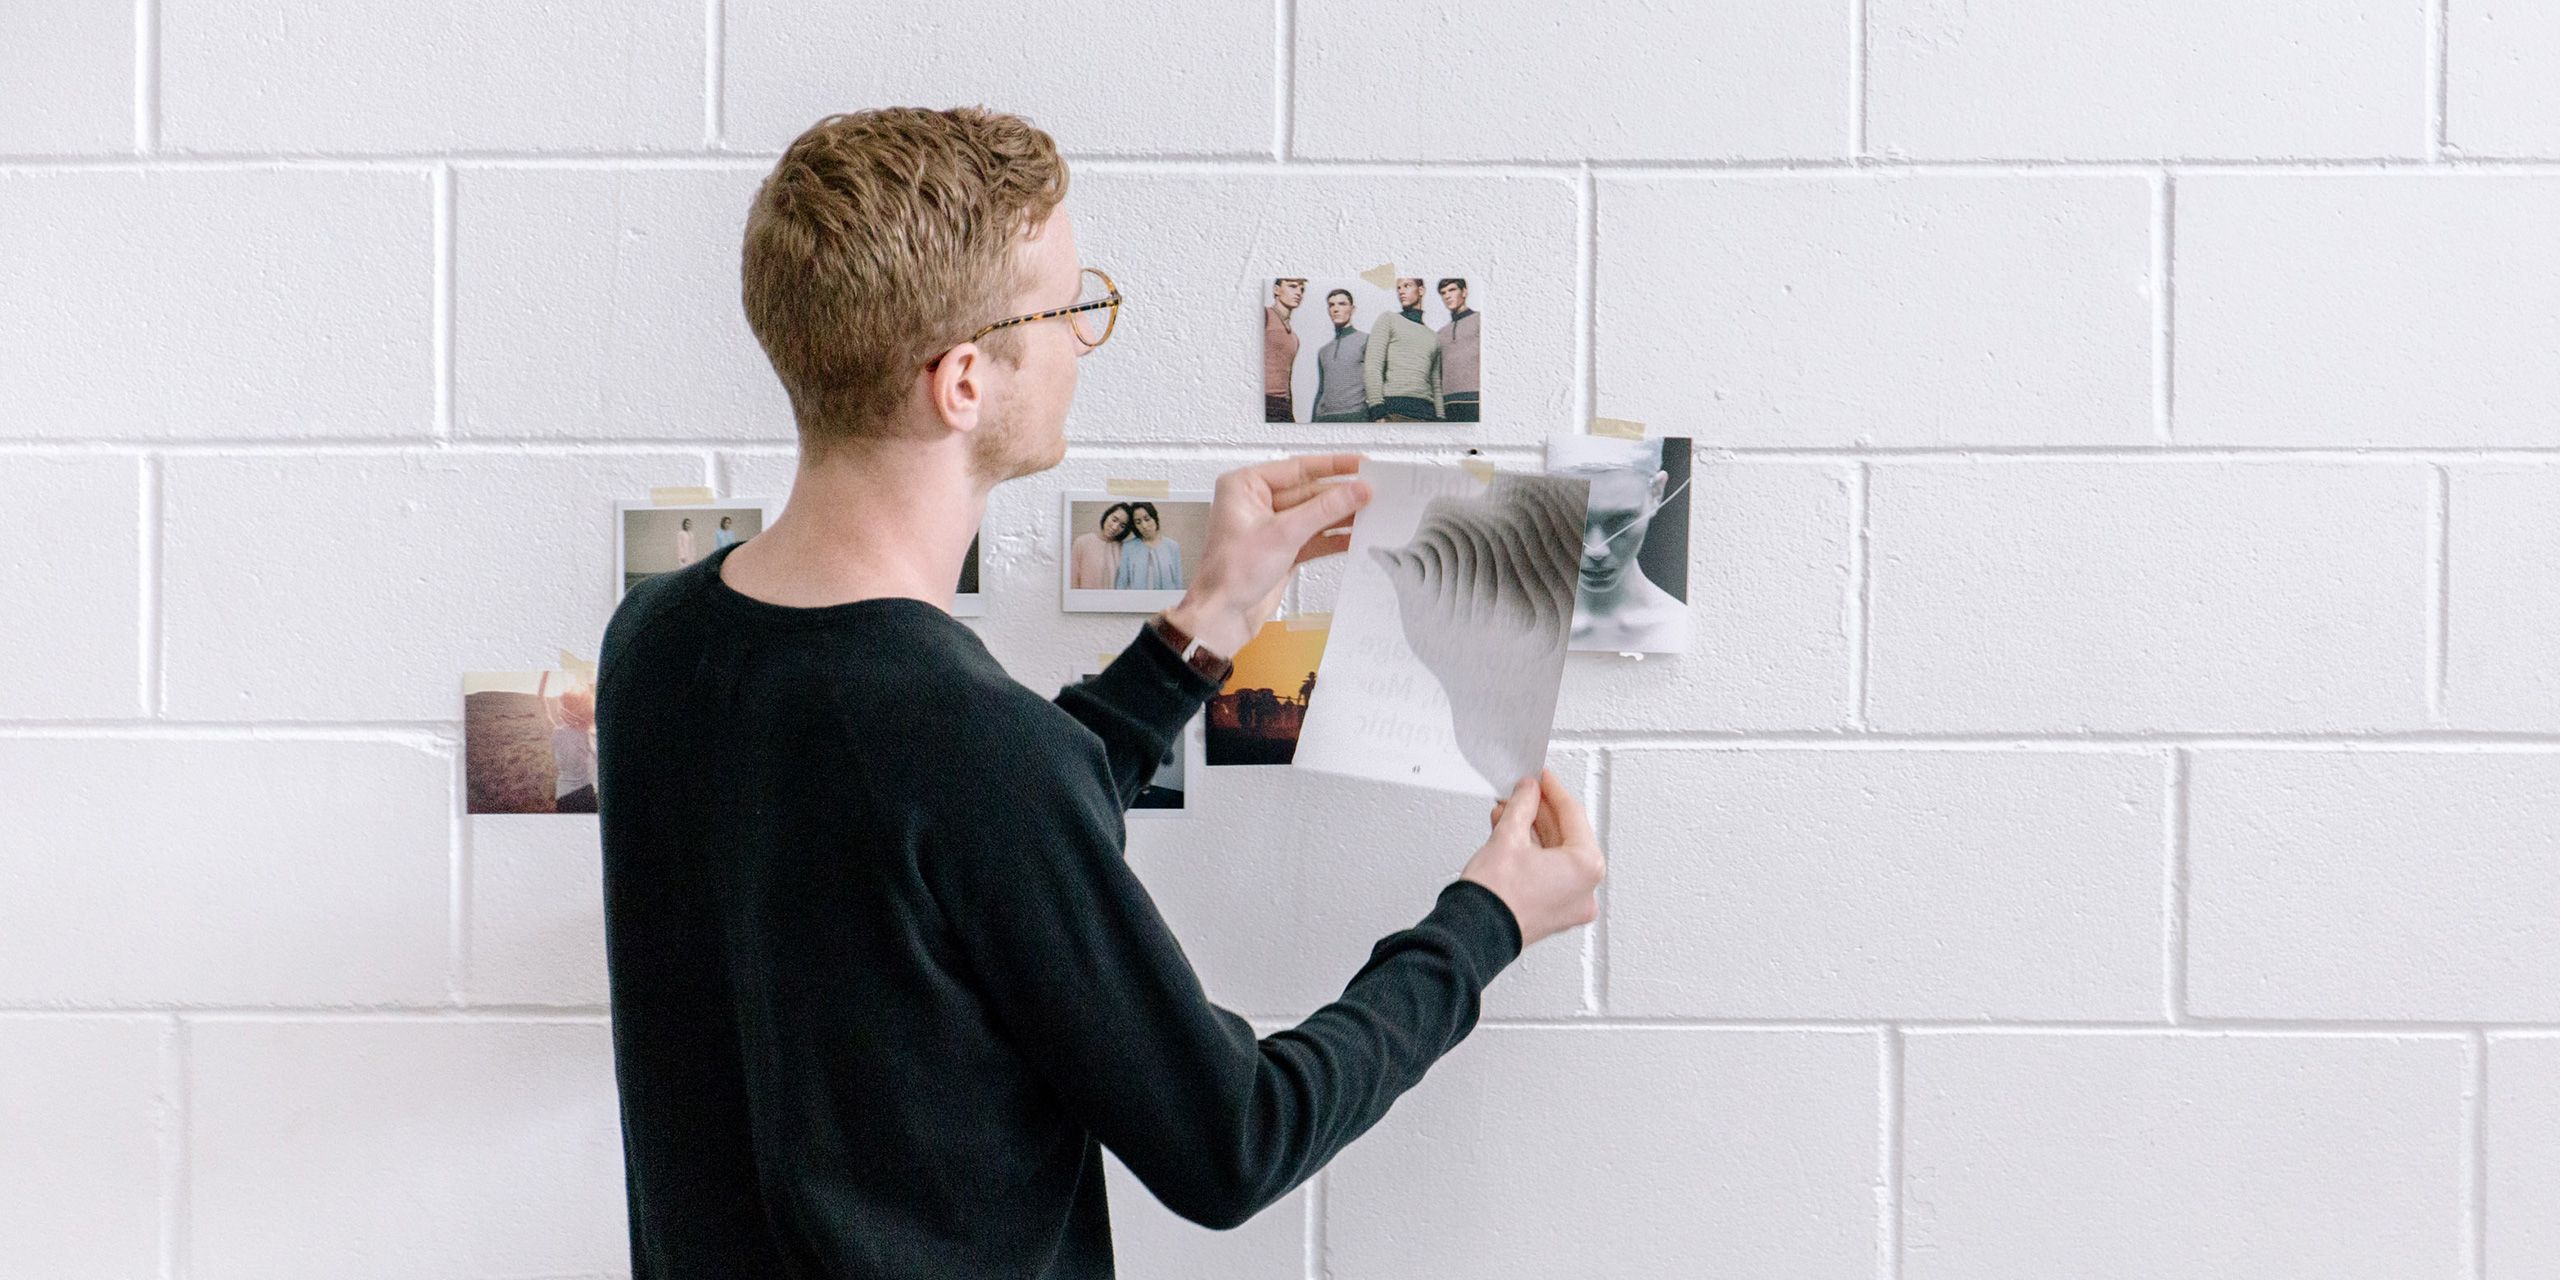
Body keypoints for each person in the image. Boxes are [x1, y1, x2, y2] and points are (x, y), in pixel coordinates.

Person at [594, 106, 1603, 1279]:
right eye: (1068, 309)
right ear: (962, 381)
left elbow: (959, 845)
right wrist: (1487, 920)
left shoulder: (656, 640)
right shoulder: (967, 747)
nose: (1083, 338)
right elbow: (1234, 1139)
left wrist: (1203, 625)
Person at [1553, 437, 1688, 653]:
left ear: (1656, 492)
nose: (1597, 550)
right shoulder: (1514, 627)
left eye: (1620, 521)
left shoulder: (1680, 628)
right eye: (1573, 518)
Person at [1363, 276, 1442, 421]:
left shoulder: (1433, 337)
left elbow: (1436, 383)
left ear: (1421, 290)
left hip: (1427, 414)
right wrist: (1376, 409)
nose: (1401, 291)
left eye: (1407, 286)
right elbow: (1373, 365)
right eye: (1398, 288)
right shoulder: (1388, 319)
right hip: (1394, 411)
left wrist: (1441, 417)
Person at [535, 671, 598, 814]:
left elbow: (540, 698)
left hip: (564, 795)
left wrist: (545, 673)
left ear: (563, 708)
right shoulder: (588, 733)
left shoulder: (556, 732)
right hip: (587, 794)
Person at [1310, 288, 1370, 422]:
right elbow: (1321, 390)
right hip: (1325, 419)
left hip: (1355, 416)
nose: (1336, 309)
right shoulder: (1324, 351)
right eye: (1332, 305)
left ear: (1352, 309)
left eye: (1342, 304)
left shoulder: (1366, 340)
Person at [1112, 500, 1183, 590]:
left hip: (1166, 598)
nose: (1144, 526)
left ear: (1155, 518)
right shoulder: (1128, 547)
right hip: (1137, 598)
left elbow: (1178, 582)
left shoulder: (1173, 546)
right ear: (1135, 526)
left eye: (1147, 519)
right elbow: (1121, 583)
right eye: (1138, 522)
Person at [1435, 278, 1479, 422]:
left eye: (1452, 290)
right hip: (1449, 403)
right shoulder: (1441, 333)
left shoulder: (1480, 320)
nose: (1447, 296)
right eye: (1443, 293)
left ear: (1464, 292)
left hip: (1475, 399)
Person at [1264, 277, 1304, 422]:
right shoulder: (1265, 315)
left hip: (1283, 407)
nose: (1299, 292)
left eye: (1302, 289)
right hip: (1265, 402)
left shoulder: (1294, 337)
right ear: (1276, 290)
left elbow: (1287, 377)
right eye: (1292, 286)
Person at [1069, 501, 1130, 589]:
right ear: (1107, 516)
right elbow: (1072, 580)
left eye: (1122, 526)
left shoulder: (1124, 549)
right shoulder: (1082, 542)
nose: (1115, 527)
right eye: (1114, 520)